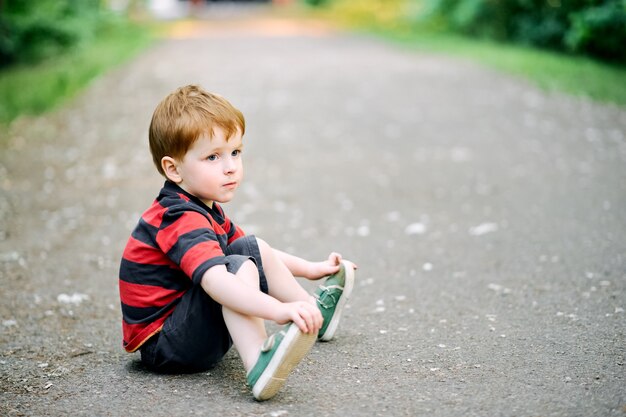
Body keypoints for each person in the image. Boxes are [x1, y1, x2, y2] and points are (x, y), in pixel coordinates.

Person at [118, 84, 356, 401]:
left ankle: (314, 316)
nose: (230, 166)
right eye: (213, 157)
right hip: (166, 344)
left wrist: (310, 269)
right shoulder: (178, 218)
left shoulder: (203, 206)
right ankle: (259, 361)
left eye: (235, 152)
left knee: (247, 247)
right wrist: (278, 310)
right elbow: (218, 283)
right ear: (173, 168)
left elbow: (258, 253)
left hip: (185, 329)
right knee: (233, 266)